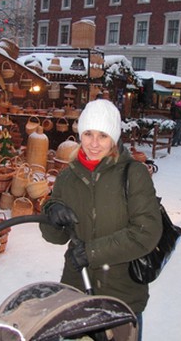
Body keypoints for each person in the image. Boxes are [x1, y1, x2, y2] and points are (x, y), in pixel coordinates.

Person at [40, 99, 162, 341]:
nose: (94, 144)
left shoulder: (133, 174)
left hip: (120, 295)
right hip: (76, 292)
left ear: (114, 138)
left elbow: (146, 232)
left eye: (103, 136)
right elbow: (54, 237)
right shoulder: (67, 177)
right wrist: (51, 212)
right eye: (88, 134)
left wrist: (92, 252)